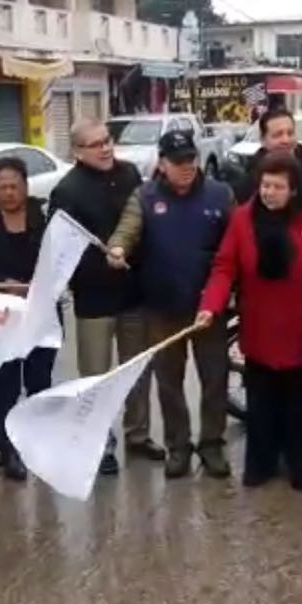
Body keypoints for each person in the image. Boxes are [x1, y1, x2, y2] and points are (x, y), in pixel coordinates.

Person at [197, 150, 302, 490]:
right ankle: (260, 466)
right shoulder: (243, 220)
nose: (269, 193)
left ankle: (300, 468)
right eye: (265, 185)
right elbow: (224, 267)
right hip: (259, 328)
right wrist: (211, 306)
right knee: (261, 405)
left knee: (298, 409)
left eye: (278, 187)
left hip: (301, 332)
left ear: (293, 191)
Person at [107, 130, 235, 479]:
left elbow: (236, 245)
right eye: (178, 162)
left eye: (191, 159)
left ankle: (212, 444)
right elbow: (127, 230)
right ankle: (178, 446)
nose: (187, 167)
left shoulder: (220, 194)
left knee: (215, 380)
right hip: (162, 308)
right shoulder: (144, 197)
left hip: (209, 308)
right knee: (169, 382)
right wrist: (118, 248)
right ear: (162, 164)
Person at [47, 119, 160, 476]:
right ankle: (100, 443)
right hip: (94, 300)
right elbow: (60, 248)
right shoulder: (67, 190)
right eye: (95, 144)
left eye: (107, 140)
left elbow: (143, 222)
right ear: (78, 152)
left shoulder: (129, 175)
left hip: (133, 293)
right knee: (95, 378)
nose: (106, 148)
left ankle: (138, 435)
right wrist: (96, 268)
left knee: (137, 372)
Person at [0, 156, 52, 482]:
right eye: (2, 188)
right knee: (5, 384)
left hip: (41, 311)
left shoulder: (45, 216)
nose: (9, 193)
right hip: (1, 313)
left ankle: (38, 442)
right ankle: (9, 449)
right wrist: (1, 283)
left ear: (25, 186)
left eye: (15, 186)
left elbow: (57, 258)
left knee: (39, 381)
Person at [231, 108, 302, 209]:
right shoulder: (250, 176)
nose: (285, 140)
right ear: (263, 140)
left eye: (290, 133)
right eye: (277, 135)